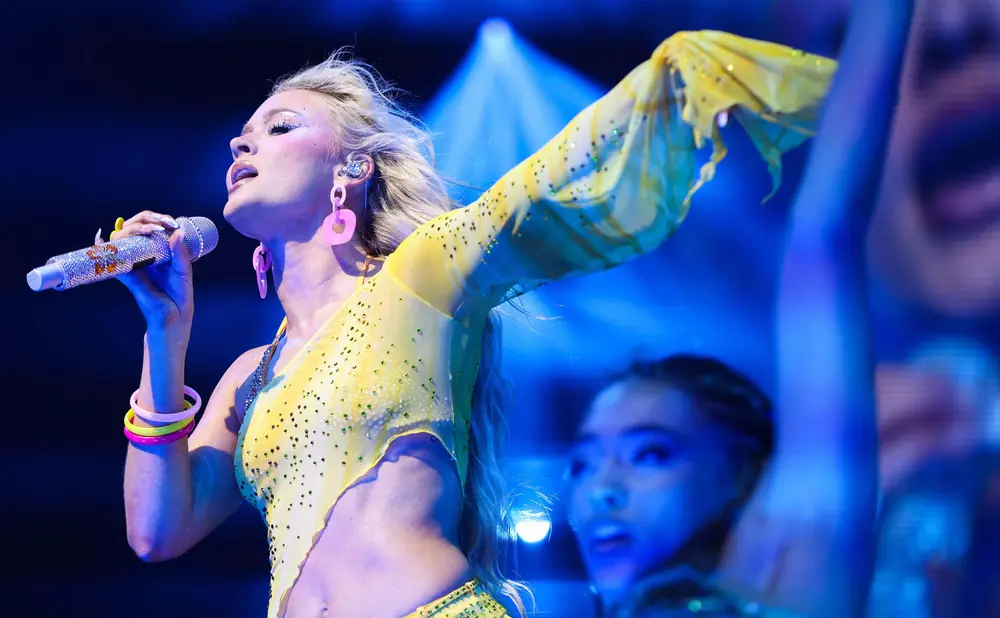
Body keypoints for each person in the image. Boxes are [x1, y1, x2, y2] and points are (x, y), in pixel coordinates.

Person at [101, 24, 840, 618]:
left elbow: (538, 187)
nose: (242, 142)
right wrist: (164, 334)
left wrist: (676, 80)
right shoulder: (250, 377)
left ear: (351, 171)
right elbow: (156, 532)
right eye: (243, 134)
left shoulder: (418, 277)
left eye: (279, 126)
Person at [564, 1, 916, 617]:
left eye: (651, 453)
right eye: (584, 464)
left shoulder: (793, 587)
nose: (604, 492)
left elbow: (822, 232)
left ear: (743, 478)